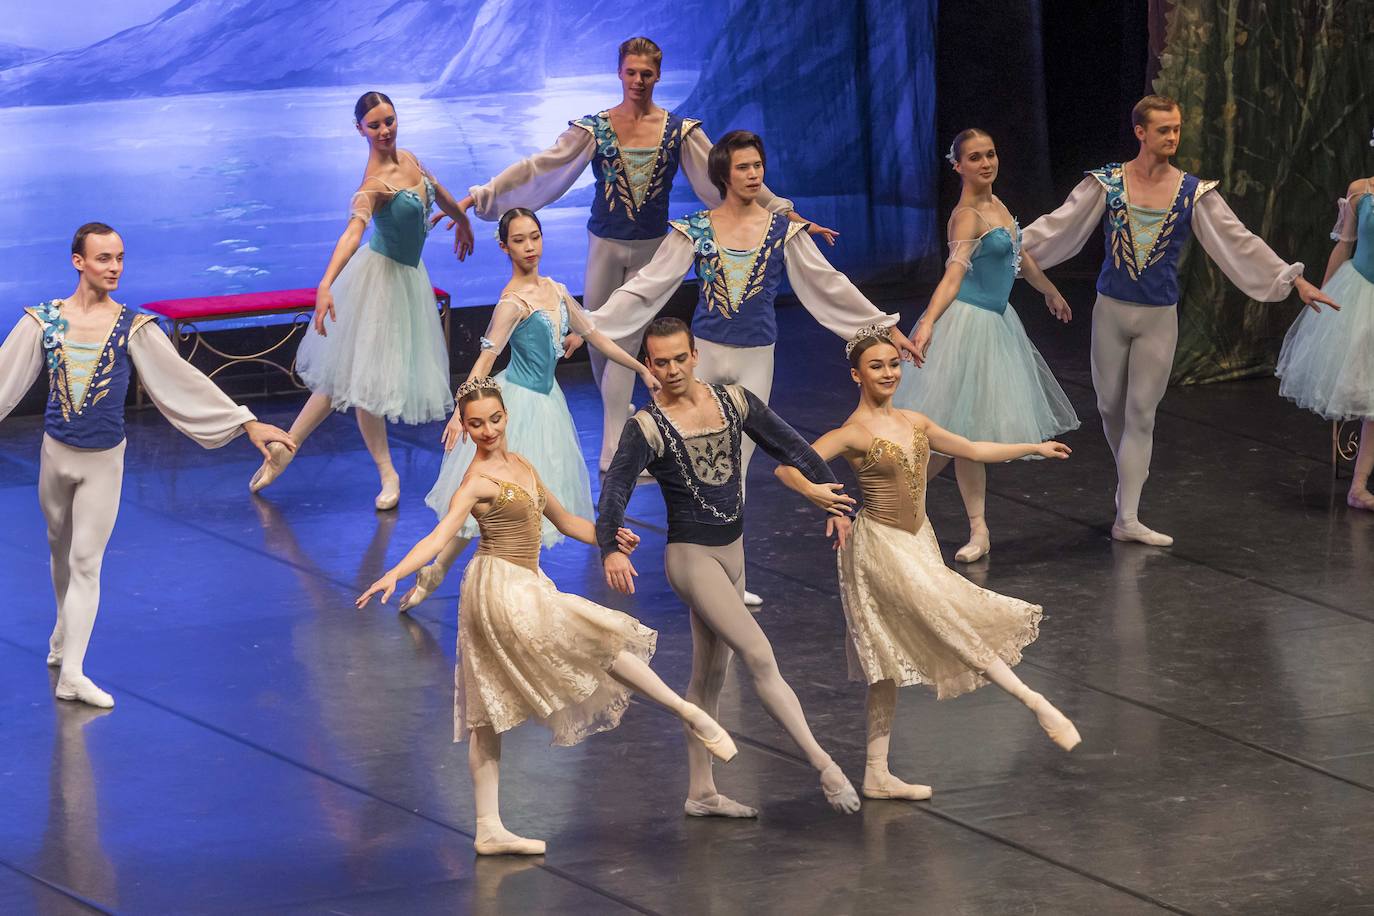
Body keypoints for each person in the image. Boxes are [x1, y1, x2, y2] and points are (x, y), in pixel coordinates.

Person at [357, 377, 736, 856]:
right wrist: (395, 571)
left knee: (489, 710)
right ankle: (689, 712)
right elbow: (438, 538)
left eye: (494, 419)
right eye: (476, 424)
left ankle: (488, 828)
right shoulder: (475, 482)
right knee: (592, 638)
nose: (487, 430)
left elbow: (564, 520)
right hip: (499, 586)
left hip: (526, 581)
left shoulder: (523, 466)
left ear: (506, 416)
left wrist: (608, 536)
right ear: (467, 428)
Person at [438, 37, 835, 472]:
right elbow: (543, 166)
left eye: (647, 74)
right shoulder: (596, 128)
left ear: (658, 75)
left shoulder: (679, 131)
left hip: (650, 250)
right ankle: (617, 416)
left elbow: (727, 178)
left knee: (625, 338)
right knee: (595, 340)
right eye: (631, 73)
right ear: (619, 73)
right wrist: (480, 196)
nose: (639, 81)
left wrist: (785, 214)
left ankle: (612, 447)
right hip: (604, 245)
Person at [591, 130, 921, 604]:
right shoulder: (695, 229)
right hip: (706, 352)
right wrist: (591, 324)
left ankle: (731, 577)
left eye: (758, 166)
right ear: (723, 174)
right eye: (744, 167)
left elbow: (829, 284)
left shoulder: (781, 230)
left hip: (754, 358)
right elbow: (647, 286)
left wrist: (880, 326)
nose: (754, 175)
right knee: (695, 463)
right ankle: (699, 562)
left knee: (737, 465)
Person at [775, 329, 1081, 801]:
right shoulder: (852, 432)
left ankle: (876, 773)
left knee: (887, 661)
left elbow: (974, 450)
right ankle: (1035, 702)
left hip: (920, 540)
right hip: (879, 548)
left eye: (894, 363)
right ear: (857, 374)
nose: (889, 372)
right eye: (876, 366)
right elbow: (788, 466)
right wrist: (819, 495)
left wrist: (1032, 447)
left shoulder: (916, 421)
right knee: (946, 620)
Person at [0, 222, 296, 708]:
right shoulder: (45, 320)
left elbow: (181, 381)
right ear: (79, 262)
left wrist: (247, 422)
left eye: (119, 258)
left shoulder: (132, 327)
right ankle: (63, 631)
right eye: (103, 259)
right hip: (55, 456)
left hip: (103, 462)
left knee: (85, 563)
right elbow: (5, 378)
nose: (114, 267)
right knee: (59, 552)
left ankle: (72, 671)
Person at [1021, 94, 1339, 546]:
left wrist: (1294, 281)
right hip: (1111, 312)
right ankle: (1128, 482)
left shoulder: (1194, 191)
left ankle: (1126, 516)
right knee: (1110, 409)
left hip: (1157, 317)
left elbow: (1239, 241)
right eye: (1164, 129)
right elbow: (1057, 225)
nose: (1173, 136)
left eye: (1177, 129)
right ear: (1140, 132)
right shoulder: (1108, 183)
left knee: (1141, 415)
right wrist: (1001, 244)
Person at [597, 317, 862, 818]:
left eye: (680, 358)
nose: (672, 370)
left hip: (733, 552)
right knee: (759, 654)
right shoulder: (647, 426)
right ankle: (825, 767)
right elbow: (615, 488)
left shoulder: (734, 402)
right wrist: (610, 544)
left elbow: (792, 447)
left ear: (695, 355)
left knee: (710, 677)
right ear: (648, 366)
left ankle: (700, 791)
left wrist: (835, 498)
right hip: (692, 559)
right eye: (661, 362)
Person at [398, 208, 663, 610]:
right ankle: (442, 572)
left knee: (527, 507)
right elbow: (485, 361)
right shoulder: (512, 302)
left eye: (534, 237)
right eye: (519, 240)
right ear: (505, 246)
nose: (529, 247)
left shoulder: (555, 290)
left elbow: (597, 336)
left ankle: (508, 587)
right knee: (487, 503)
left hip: (548, 405)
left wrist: (641, 367)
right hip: (515, 407)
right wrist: (460, 413)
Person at [249, 90, 470, 509]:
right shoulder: (372, 185)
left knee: (343, 381)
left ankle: (286, 447)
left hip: (408, 281)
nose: (385, 130)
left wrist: (463, 223)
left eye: (390, 120)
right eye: (375, 125)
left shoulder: (410, 159)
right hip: (379, 282)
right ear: (360, 130)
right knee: (363, 383)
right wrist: (326, 283)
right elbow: (353, 233)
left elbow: (438, 191)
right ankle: (389, 475)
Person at [895, 128, 1079, 562]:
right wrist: (928, 322)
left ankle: (977, 530)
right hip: (968, 325)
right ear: (957, 165)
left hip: (998, 324)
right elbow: (953, 277)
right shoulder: (966, 216)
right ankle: (898, 513)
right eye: (975, 158)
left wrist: (1049, 289)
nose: (986, 163)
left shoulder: (996, 205)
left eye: (990, 154)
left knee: (967, 434)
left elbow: (1020, 255)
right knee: (945, 438)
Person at [1276, 173, 1374, 511]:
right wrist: (1324, 292)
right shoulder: (1362, 192)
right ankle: (1358, 487)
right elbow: (1345, 244)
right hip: (1362, 294)